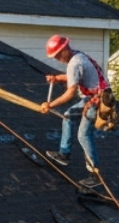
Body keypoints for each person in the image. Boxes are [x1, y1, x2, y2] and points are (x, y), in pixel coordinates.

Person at [39, 34, 106, 184]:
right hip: (96, 96)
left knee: (83, 135)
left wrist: (50, 105)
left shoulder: (74, 63)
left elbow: (70, 93)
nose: (57, 59)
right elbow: (73, 76)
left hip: (98, 100)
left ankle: (95, 176)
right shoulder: (77, 56)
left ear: (64, 50)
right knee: (68, 116)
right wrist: (57, 78)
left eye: (57, 56)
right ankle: (64, 154)